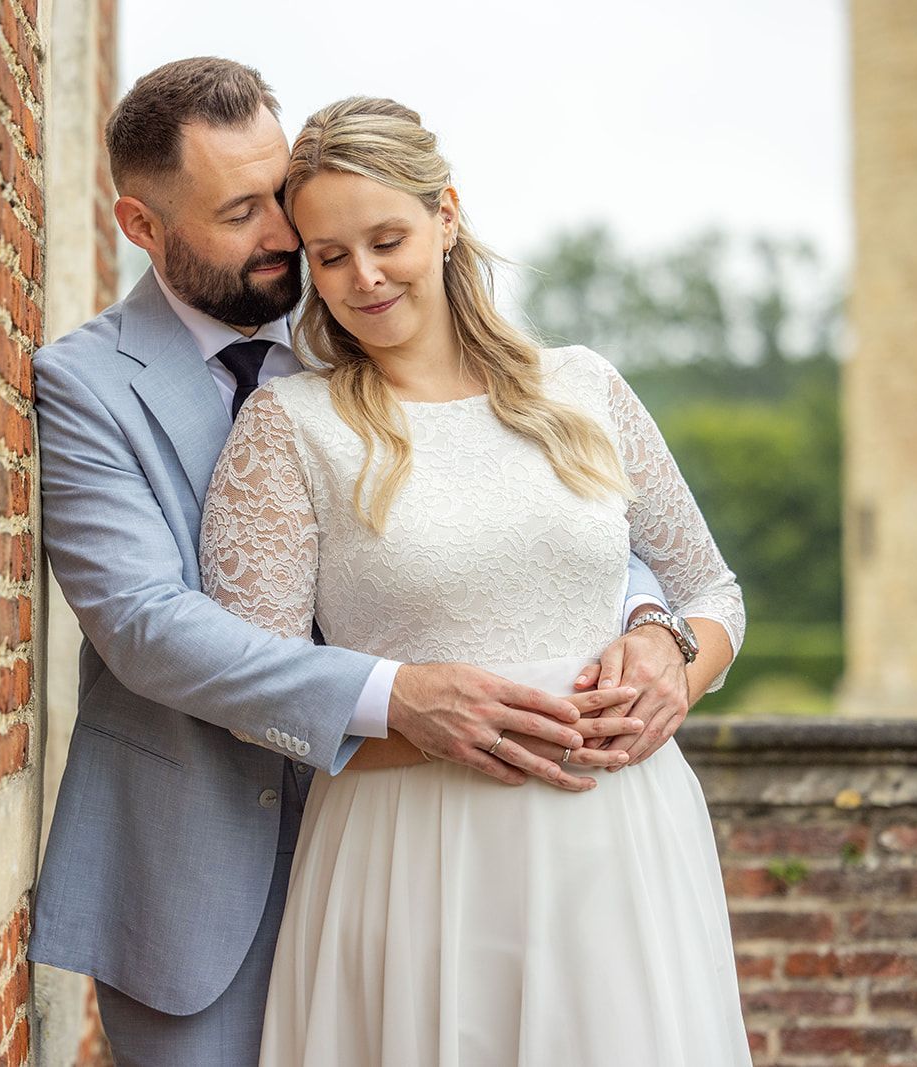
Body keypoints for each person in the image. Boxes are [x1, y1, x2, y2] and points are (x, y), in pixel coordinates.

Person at [27, 58, 691, 1066]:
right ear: (140, 226)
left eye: (281, 193)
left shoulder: (361, 319)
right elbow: (143, 625)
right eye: (241, 210)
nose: (287, 235)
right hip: (201, 870)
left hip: (435, 851)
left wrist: (647, 620)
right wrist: (397, 696)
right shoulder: (85, 384)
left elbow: (540, 516)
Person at [199, 94, 752, 1065]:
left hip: (622, 840)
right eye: (329, 256)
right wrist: (410, 720)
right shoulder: (289, 427)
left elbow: (710, 590)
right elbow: (251, 689)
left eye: (387, 238)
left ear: (445, 216)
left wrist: (675, 662)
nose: (363, 276)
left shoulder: (582, 387)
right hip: (413, 852)